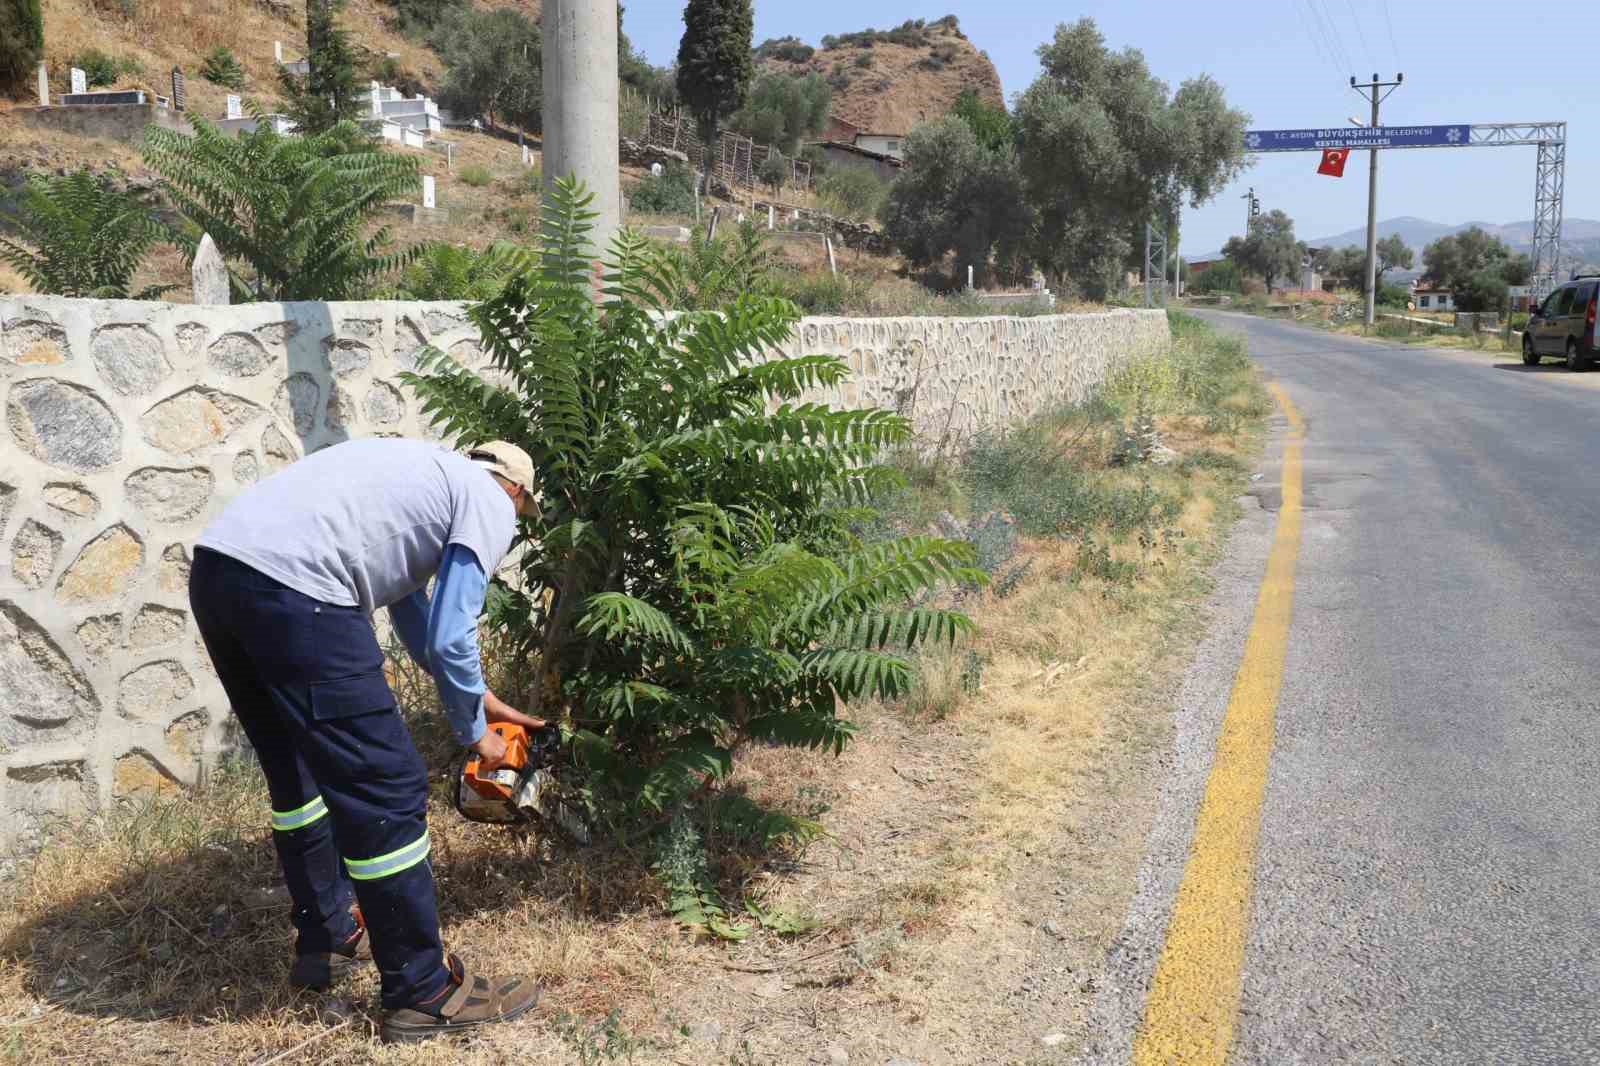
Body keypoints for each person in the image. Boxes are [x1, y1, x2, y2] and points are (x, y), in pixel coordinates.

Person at [189, 437, 545, 1043]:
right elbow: (454, 637)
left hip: (221, 574)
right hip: (300, 590)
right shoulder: (487, 500)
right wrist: (475, 735)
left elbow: (419, 624)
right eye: (521, 513)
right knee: (387, 787)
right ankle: (423, 992)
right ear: (514, 490)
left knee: (296, 770)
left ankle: (328, 933)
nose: (513, 524)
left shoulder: (415, 477)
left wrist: (477, 697)